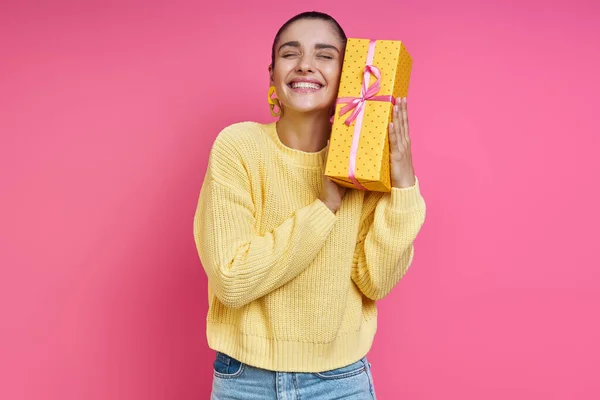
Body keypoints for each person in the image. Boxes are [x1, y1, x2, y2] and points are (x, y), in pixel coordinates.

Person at [193, 11, 426, 399]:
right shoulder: (238, 147)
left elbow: (376, 280)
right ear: (272, 74)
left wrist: (403, 185)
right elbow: (231, 279)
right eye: (290, 53)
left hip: (340, 383)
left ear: (350, 73)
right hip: (245, 382)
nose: (305, 65)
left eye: (324, 55)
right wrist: (323, 208)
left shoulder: (361, 161)